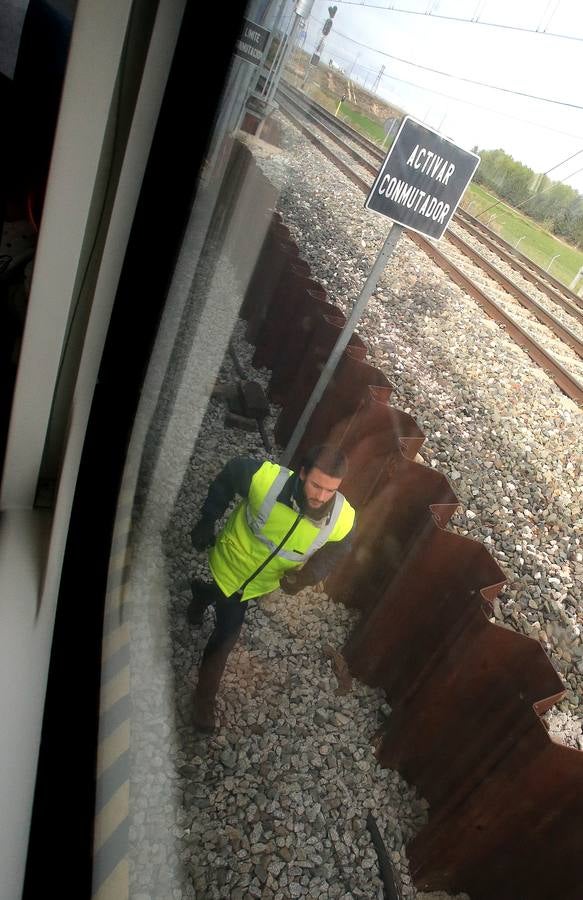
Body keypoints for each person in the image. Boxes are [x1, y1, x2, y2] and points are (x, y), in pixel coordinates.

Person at [188, 444, 355, 732]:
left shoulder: (341, 517)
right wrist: (207, 518)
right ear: (302, 473)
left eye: (331, 490)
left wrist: (308, 576)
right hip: (230, 565)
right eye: (317, 485)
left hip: (260, 584)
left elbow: (342, 546)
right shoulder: (265, 480)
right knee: (227, 634)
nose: (321, 496)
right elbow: (230, 473)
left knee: (219, 601)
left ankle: (201, 596)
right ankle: (203, 701)